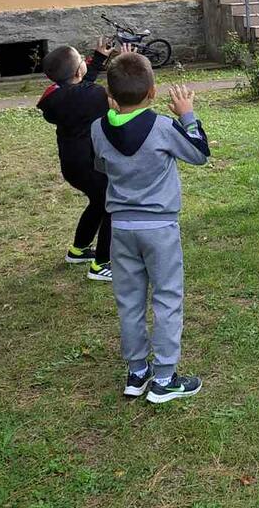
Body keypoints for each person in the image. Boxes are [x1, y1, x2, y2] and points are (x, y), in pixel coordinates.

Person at [91, 52, 210, 403]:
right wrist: (187, 115)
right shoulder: (162, 127)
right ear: (153, 92)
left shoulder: (97, 128)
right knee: (167, 297)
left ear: (110, 97)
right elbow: (199, 153)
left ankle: (137, 371)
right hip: (159, 228)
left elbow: (101, 165)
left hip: (120, 228)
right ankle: (164, 378)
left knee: (129, 301)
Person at [38, 39, 115, 281]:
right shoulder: (93, 96)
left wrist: (98, 58)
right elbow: (93, 89)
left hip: (72, 165)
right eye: (83, 59)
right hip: (89, 165)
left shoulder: (57, 96)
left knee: (99, 202)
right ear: (78, 71)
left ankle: (79, 250)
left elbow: (81, 85)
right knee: (111, 204)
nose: (85, 61)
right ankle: (101, 264)